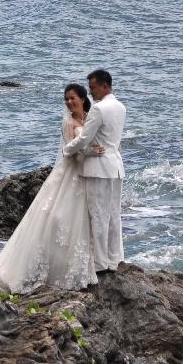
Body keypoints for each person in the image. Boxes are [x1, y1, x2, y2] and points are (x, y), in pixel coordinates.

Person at [0, 83, 105, 292]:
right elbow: (72, 152)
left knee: (80, 221)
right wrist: (91, 152)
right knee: (58, 219)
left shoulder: (90, 118)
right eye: (66, 99)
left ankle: (81, 267)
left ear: (83, 98)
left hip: (87, 175)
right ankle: (52, 271)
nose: (69, 102)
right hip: (70, 174)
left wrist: (98, 150)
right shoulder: (68, 122)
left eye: (73, 98)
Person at [62, 69, 126, 273]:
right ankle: (116, 259)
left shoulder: (99, 109)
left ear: (104, 86)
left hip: (98, 168)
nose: (91, 92)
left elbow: (84, 139)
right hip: (115, 167)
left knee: (98, 216)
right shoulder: (121, 107)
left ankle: (100, 263)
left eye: (93, 87)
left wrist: (66, 149)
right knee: (114, 215)